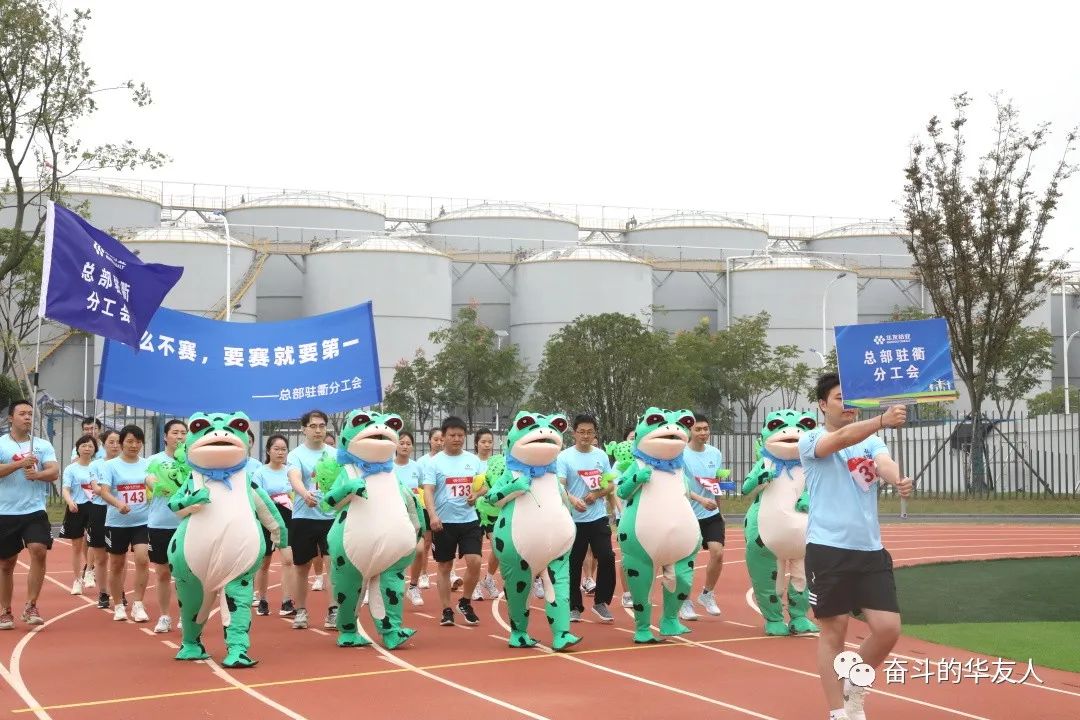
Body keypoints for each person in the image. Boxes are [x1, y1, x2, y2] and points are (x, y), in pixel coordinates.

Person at [800, 373, 912, 720]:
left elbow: (883, 463)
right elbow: (841, 439)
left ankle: (853, 680)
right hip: (828, 550)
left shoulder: (871, 441)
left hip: (870, 550)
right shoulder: (811, 439)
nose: (847, 405)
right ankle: (839, 711)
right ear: (822, 405)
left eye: (851, 399)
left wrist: (897, 479)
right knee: (834, 632)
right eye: (839, 398)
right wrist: (881, 419)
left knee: (888, 629)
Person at [0, 399, 59, 627]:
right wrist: (19, 464)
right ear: (10, 418)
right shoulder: (2, 444)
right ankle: (5, 610)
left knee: (39, 550)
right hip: (6, 511)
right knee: (6, 563)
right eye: (22, 413)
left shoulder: (42, 445)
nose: (27, 417)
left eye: (30, 414)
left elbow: (54, 471)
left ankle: (31, 604)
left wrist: (38, 475)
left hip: (34, 509)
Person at [422, 417, 482, 626]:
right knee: (445, 565)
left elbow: (484, 485)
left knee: (475, 561)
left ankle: (465, 602)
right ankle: (447, 609)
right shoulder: (434, 462)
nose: (457, 439)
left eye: (460, 435)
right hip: (444, 522)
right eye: (452, 435)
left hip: (469, 520)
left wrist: (477, 494)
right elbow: (428, 490)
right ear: (444, 437)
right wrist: (432, 516)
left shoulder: (473, 460)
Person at [556, 413, 615, 623]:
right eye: (582, 432)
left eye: (590, 432)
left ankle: (601, 602)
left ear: (595, 433)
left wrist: (597, 494)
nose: (586, 436)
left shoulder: (601, 456)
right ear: (574, 433)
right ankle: (574, 606)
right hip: (573, 520)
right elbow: (559, 485)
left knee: (607, 557)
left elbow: (610, 485)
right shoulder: (564, 457)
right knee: (574, 562)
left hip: (598, 517)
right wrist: (572, 499)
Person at [94, 424, 152, 623]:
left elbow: (152, 483)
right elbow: (104, 491)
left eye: (138, 442)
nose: (134, 445)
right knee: (117, 564)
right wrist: (119, 504)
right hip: (117, 523)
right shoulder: (110, 466)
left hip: (143, 521)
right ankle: (118, 604)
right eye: (130, 441)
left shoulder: (147, 464)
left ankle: (138, 604)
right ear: (121, 443)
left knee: (143, 559)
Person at [287, 410, 337, 630]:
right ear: (304, 429)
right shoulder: (296, 455)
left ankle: (334, 611)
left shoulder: (335, 454)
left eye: (322, 426)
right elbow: (294, 478)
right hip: (303, 516)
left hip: (331, 517)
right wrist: (304, 494)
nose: (318, 430)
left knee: (332, 564)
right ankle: (300, 611)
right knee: (301, 566)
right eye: (313, 426)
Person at [679, 413, 725, 620]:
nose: (703, 432)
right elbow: (680, 485)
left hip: (711, 513)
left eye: (706, 428)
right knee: (687, 560)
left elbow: (716, 484)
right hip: (688, 514)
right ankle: (684, 601)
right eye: (698, 429)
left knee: (718, 553)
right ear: (690, 431)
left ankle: (707, 594)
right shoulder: (681, 454)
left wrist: (720, 511)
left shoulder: (715, 453)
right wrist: (700, 500)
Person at [146, 419, 187, 633]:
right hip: (160, 523)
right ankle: (164, 616)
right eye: (175, 432)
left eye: (183, 433)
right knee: (162, 573)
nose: (179, 437)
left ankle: (185, 615)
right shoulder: (154, 460)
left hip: (185, 524)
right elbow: (152, 482)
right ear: (165, 436)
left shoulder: (192, 461)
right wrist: (166, 486)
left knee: (184, 574)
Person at [253, 434, 299, 616]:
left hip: (287, 519)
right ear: (268, 451)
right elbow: (257, 497)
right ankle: (262, 600)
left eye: (284, 449)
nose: (280, 452)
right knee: (264, 562)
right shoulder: (260, 473)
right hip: (267, 518)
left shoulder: (291, 472)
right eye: (276, 449)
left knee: (288, 560)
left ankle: (287, 602)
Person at [60, 434, 98, 595]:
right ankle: (77, 580)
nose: (87, 448)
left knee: (93, 541)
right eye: (83, 445)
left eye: (90, 446)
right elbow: (66, 489)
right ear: (77, 449)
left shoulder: (98, 467)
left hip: (94, 506)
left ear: (95, 449)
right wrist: (70, 502)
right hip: (76, 507)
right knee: (76, 546)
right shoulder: (71, 468)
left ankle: (89, 570)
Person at [87, 429, 121, 608]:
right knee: (100, 557)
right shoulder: (96, 465)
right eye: (111, 442)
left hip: (120, 511)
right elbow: (97, 489)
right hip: (100, 510)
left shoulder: (126, 463)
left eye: (118, 442)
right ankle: (103, 593)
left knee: (119, 557)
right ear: (103, 443)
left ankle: (120, 592)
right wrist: (114, 490)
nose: (115, 446)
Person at [395, 431, 428, 606]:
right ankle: (376, 588)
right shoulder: (388, 467)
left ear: (412, 447)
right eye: (401, 443)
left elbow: (424, 488)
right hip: (393, 516)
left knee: (420, 550)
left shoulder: (417, 467)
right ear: (395, 445)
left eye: (408, 443)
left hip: (413, 516)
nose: (405, 446)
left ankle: (413, 586)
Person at [471, 428, 502, 602]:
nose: (487, 445)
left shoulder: (497, 463)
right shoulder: (471, 462)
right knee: (474, 550)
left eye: (490, 442)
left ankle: (489, 579)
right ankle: (474, 584)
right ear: (476, 443)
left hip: (492, 510)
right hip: (473, 510)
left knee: (498, 548)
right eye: (483, 441)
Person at [412, 428, 445, 591]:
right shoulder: (421, 462)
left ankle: (450, 573)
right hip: (426, 507)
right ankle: (424, 574)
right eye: (435, 439)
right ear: (429, 441)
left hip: (444, 507)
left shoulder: (448, 460)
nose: (439, 442)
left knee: (446, 543)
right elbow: (418, 484)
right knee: (426, 543)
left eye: (441, 439)